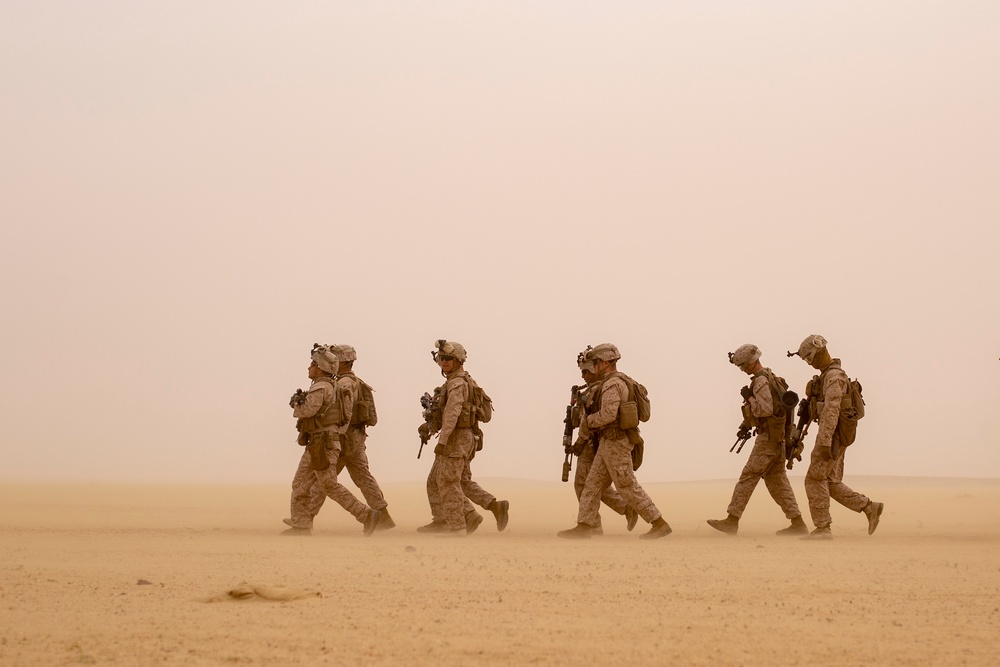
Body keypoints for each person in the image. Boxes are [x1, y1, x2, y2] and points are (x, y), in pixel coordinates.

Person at [558, 344, 672, 540]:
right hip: (608, 443)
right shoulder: (614, 382)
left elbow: (608, 415)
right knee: (591, 485)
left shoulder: (612, 384)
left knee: (626, 485)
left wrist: (588, 422)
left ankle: (658, 523)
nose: (593, 367)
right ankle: (585, 525)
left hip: (616, 442)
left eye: (595, 363)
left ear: (604, 362)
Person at [286, 344, 395, 531]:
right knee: (353, 478)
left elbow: (335, 412)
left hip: (340, 439)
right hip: (348, 437)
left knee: (323, 482)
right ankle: (380, 515)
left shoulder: (342, 384)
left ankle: (305, 519)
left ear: (342, 361)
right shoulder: (351, 382)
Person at [707, 344, 807, 536]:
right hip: (777, 438)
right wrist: (747, 424)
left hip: (768, 440)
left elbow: (765, 409)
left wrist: (750, 398)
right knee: (777, 481)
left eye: (743, 365)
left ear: (751, 363)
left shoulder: (760, 381)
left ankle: (732, 520)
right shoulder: (771, 377)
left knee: (748, 476)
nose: (742, 369)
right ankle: (798, 523)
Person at [790, 335, 883, 540]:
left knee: (814, 479)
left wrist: (824, 441)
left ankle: (823, 528)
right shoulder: (827, 376)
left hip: (832, 436)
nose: (809, 363)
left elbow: (831, 410)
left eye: (808, 358)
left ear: (816, 354)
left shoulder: (833, 378)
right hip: (834, 435)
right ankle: (869, 507)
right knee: (829, 481)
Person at [417, 340, 509, 536]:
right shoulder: (455, 381)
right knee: (444, 481)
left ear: (458, 360)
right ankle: (492, 507)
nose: (444, 362)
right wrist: (429, 426)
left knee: (448, 481)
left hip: (457, 439)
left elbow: (452, 412)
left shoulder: (458, 383)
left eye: (448, 359)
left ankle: (457, 526)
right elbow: (444, 413)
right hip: (461, 437)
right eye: (441, 358)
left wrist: (442, 442)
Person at [568, 348, 639, 534]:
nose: (583, 376)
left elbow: (594, 420)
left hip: (595, 443)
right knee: (591, 484)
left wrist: (580, 442)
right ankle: (598, 522)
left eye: (586, 371)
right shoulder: (593, 390)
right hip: (595, 442)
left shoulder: (603, 388)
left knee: (587, 485)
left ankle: (593, 525)